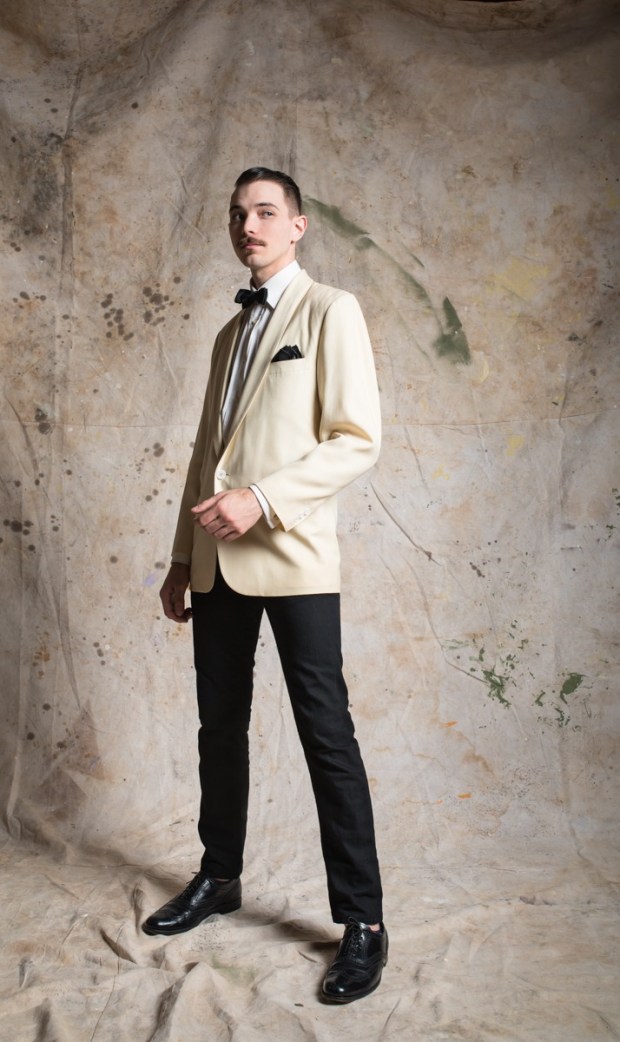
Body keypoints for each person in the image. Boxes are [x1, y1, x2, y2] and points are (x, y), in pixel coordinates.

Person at [142, 167, 387, 1003]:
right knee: (219, 727)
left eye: (266, 212)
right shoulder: (228, 333)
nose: (249, 225)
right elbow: (205, 456)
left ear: (298, 226)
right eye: (239, 214)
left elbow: (356, 439)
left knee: (326, 734)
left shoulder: (330, 311)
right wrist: (182, 557)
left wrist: (264, 499)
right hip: (214, 563)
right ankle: (220, 877)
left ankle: (363, 923)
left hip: (293, 556)